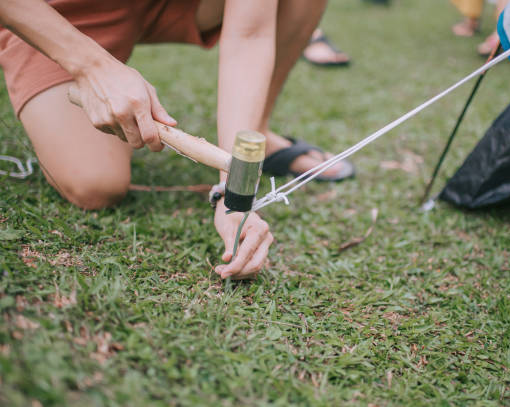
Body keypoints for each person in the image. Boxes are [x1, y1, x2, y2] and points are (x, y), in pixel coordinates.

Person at [0, 0, 354, 280]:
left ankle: (256, 133)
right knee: (95, 184)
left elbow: (251, 32)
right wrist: (92, 66)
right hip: (59, 13)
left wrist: (233, 196)